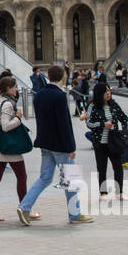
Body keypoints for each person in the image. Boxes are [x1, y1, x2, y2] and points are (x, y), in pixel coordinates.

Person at [17, 65, 95, 224]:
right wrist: (71, 147)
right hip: (60, 145)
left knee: (44, 178)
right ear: (63, 76)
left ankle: (24, 206)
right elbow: (64, 124)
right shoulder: (59, 96)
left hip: (45, 143)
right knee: (71, 179)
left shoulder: (39, 95)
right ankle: (75, 214)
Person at [0, 76, 34, 220]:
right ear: (8, 88)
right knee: (22, 176)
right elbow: (6, 126)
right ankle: (24, 208)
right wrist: (18, 118)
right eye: (14, 86)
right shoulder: (7, 104)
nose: (16, 89)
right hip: (9, 147)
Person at [87, 83, 128, 199]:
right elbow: (89, 123)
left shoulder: (114, 104)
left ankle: (119, 192)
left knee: (118, 167)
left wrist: (123, 132)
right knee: (102, 167)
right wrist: (103, 124)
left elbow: (124, 118)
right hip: (100, 142)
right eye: (105, 92)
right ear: (99, 93)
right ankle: (103, 192)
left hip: (113, 141)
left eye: (109, 91)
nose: (108, 94)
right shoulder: (93, 106)